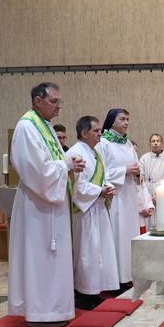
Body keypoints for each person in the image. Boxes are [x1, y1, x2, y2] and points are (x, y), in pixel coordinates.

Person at [8, 82, 85, 327]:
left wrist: (68, 162)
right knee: (40, 257)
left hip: (52, 203)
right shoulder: (27, 126)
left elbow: (52, 160)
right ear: (38, 101)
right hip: (37, 206)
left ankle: (57, 310)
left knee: (54, 258)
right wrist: (66, 166)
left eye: (60, 101)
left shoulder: (45, 126)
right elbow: (35, 169)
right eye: (54, 101)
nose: (58, 106)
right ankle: (40, 312)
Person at [67, 116, 120, 311]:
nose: (100, 134)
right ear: (84, 133)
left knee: (100, 251)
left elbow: (102, 178)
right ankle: (82, 294)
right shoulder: (75, 153)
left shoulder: (95, 153)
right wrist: (100, 191)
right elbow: (76, 185)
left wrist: (108, 187)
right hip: (84, 211)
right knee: (87, 253)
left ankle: (94, 291)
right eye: (96, 131)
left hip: (97, 208)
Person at [97, 108, 153, 288]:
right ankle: (115, 279)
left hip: (130, 196)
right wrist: (124, 171)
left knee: (130, 236)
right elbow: (100, 172)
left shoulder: (128, 143)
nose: (126, 122)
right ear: (112, 121)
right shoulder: (103, 143)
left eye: (128, 119)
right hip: (115, 197)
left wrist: (136, 172)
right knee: (117, 235)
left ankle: (129, 275)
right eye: (122, 119)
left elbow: (137, 170)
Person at [139, 133, 164, 222]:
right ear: (150, 144)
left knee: (163, 219)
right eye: (153, 141)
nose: (155, 143)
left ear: (162, 143)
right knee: (149, 221)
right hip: (148, 191)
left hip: (163, 191)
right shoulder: (144, 158)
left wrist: (161, 196)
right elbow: (140, 177)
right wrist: (147, 196)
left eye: (158, 141)